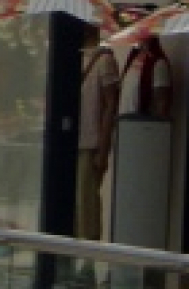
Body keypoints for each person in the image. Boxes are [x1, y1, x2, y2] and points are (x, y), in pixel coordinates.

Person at [76, 28, 120, 242]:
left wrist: (103, 148)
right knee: (76, 205)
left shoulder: (104, 60)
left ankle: (89, 252)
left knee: (87, 204)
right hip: (75, 141)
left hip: (91, 143)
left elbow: (111, 104)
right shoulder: (76, 57)